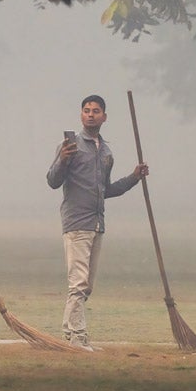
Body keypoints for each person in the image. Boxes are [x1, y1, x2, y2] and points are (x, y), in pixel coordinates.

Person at [46, 93, 148, 349]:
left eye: (95, 111)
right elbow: (52, 181)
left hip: (97, 223)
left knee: (86, 286)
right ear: (81, 114)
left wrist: (134, 178)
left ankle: (69, 334)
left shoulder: (106, 151)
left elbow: (107, 189)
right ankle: (79, 337)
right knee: (78, 282)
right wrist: (63, 160)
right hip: (76, 221)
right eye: (86, 110)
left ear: (104, 116)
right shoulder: (69, 146)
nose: (90, 114)